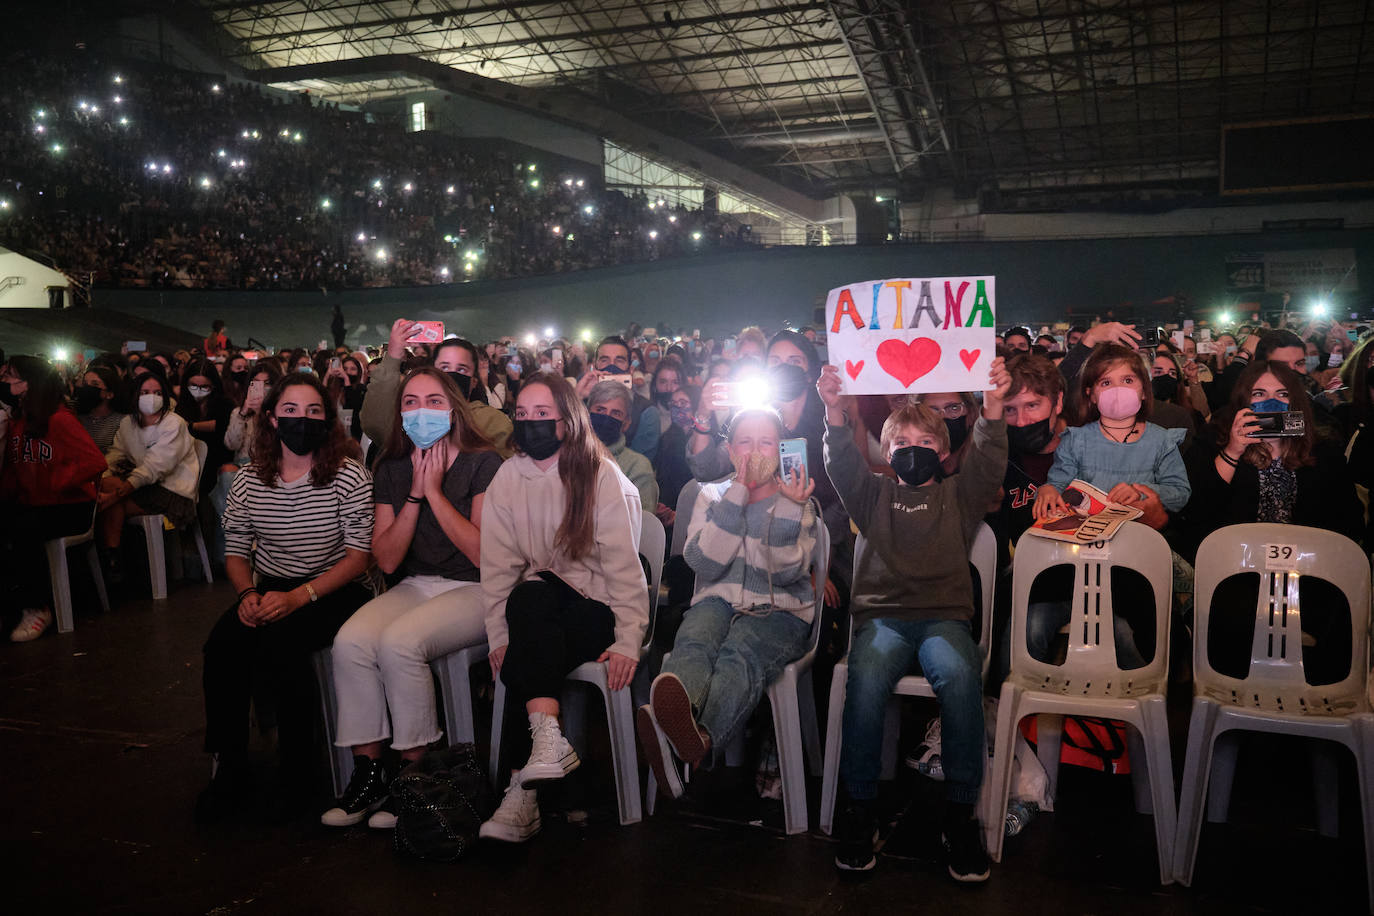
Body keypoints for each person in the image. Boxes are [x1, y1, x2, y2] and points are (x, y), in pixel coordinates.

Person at [819, 357, 1010, 880]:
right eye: (902, 444)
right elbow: (840, 464)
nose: (913, 451)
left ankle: (959, 813)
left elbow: (990, 462)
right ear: (887, 452)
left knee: (960, 674)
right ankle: (860, 807)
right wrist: (834, 411)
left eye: (926, 444)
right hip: (882, 620)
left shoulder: (960, 496)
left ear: (945, 452)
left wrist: (992, 410)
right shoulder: (872, 493)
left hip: (944, 619)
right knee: (867, 678)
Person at [322, 367, 502, 828]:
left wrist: (436, 492)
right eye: (411, 402)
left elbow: (482, 554)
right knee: (351, 642)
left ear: (454, 409)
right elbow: (385, 560)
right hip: (417, 584)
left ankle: (413, 773)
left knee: (399, 643)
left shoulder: (484, 463)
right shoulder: (393, 467)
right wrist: (415, 496)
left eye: (434, 401)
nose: (422, 411)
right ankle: (370, 773)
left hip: (478, 588)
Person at [477, 372, 647, 843]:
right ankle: (544, 746)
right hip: (539, 609)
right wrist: (498, 635)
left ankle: (521, 793)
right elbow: (497, 568)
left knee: (527, 621)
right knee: (528, 607)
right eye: (523, 414)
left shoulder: (599, 473)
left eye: (542, 415)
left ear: (566, 421)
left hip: (596, 609)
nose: (530, 423)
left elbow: (624, 569)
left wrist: (630, 639)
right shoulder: (509, 477)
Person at [197, 374, 374, 822]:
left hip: (335, 587)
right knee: (223, 646)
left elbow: (359, 558)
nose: (302, 419)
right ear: (272, 419)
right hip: (271, 585)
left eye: (314, 411)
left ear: (327, 419)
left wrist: (301, 597)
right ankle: (230, 765)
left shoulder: (349, 475)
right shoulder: (250, 480)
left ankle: (300, 769)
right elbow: (235, 551)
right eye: (291, 411)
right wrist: (247, 595)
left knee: (283, 646)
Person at [636, 407, 819, 800]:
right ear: (730, 449)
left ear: (781, 447)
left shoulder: (798, 499)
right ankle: (682, 736)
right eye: (745, 442)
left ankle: (691, 740)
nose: (755, 452)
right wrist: (738, 493)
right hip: (717, 600)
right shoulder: (711, 495)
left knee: (740, 652)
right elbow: (704, 562)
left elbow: (785, 573)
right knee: (695, 638)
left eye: (766, 442)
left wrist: (787, 507)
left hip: (779, 611)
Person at [1178, 360, 1361, 686]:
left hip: (1308, 573)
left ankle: (1320, 702)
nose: (1271, 402)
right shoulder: (1216, 439)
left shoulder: (1324, 451)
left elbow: (1347, 522)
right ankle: (1232, 700)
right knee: (1231, 613)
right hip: (1240, 572)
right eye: (1259, 393)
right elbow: (1198, 511)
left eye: (1282, 394)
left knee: (1342, 608)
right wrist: (1234, 450)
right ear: (1245, 402)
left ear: (1296, 401)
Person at [1031, 343, 1191, 669]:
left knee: (1147, 603)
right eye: (1106, 383)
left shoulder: (1161, 440)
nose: (1118, 390)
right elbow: (1058, 482)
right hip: (1083, 551)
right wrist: (1047, 490)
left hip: (1136, 552)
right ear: (1090, 393)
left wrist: (1143, 491)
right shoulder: (1077, 440)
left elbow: (1180, 491)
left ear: (1144, 391)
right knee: (1031, 595)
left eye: (1128, 381)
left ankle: (1171, 672)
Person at [0, 357, 107, 641]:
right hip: (38, 504)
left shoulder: (59, 420)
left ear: (31, 383)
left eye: (13, 377)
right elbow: (13, 471)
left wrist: (55, 482)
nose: (8, 383)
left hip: (70, 506)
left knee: (23, 527)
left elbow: (94, 462)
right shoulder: (19, 423)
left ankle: (37, 607)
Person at [97, 372, 199, 586]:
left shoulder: (174, 423)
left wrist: (116, 493)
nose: (150, 397)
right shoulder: (128, 424)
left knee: (111, 501)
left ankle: (111, 559)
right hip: (142, 487)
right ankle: (113, 560)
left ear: (165, 395)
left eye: (156, 392)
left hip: (173, 492)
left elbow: (157, 466)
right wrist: (104, 478)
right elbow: (116, 455)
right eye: (144, 392)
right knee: (109, 486)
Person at [361, 321, 513, 458]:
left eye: (461, 369)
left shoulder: (491, 422)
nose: (451, 375)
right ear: (433, 374)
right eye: (444, 367)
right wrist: (393, 355)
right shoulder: (417, 417)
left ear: (473, 381)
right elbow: (376, 426)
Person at [586, 380, 659, 511]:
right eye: (600, 410)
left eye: (616, 413)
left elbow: (642, 523)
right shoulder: (568, 456)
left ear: (626, 423)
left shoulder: (637, 466)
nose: (606, 417)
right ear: (586, 415)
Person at [629, 356, 684, 462]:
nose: (669, 388)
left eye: (675, 382)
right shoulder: (646, 415)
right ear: (655, 385)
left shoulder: (690, 417)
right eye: (663, 382)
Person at [914, 391, 979, 475]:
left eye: (954, 408)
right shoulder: (912, 466)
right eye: (930, 412)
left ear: (971, 414)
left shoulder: (984, 461)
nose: (942, 417)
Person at [73, 364, 125, 454]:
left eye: (95, 384)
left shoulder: (121, 422)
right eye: (85, 384)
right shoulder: (76, 417)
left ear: (109, 394)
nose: (87, 388)